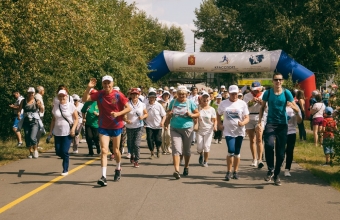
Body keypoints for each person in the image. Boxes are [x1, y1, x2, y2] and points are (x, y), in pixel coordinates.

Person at [82, 76, 131, 186]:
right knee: (104, 151)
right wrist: (88, 88)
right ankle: (103, 177)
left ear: (112, 83)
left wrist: (118, 114)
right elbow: (84, 99)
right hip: (103, 126)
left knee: (116, 150)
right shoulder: (99, 94)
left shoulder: (118, 95)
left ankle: (118, 168)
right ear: (102, 84)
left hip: (116, 125)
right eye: (104, 83)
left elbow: (128, 108)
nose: (107, 85)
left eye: (109, 83)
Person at [258, 72, 295, 186]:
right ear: (272, 81)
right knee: (268, 145)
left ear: (282, 81)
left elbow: (294, 105)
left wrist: (293, 106)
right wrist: (260, 122)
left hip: (282, 125)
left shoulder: (287, 92)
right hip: (270, 123)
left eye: (280, 79)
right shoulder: (268, 93)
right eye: (276, 80)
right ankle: (270, 170)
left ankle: (277, 174)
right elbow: (262, 107)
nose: (278, 81)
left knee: (280, 153)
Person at [165, 85, 199, 179]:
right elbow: (168, 111)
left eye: (183, 94)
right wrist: (169, 114)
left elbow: (197, 113)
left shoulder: (190, 103)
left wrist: (191, 114)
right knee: (176, 149)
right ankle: (176, 170)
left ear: (187, 94)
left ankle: (186, 166)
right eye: (179, 94)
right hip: (175, 128)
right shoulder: (173, 102)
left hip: (187, 128)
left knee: (186, 150)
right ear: (177, 94)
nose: (181, 96)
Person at [217, 85, 249, 181]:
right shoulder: (223, 103)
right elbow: (218, 114)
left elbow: (247, 117)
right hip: (228, 131)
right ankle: (228, 171)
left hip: (239, 131)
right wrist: (219, 124)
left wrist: (243, 123)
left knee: (237, 152)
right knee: (231, 150)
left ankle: (235, 171)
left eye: (236, 93)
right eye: (232, 94)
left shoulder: (242, 104)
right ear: (229, 94)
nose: (234, 95)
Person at [49, 89, 78, 175]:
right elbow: (53, 120)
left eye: (63, 96)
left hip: (68, 132)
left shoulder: (71, 106)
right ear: (58, 97)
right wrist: (51, 131)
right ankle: (66, 158)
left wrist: (73, 129)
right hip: (57, 132)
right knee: (58, 152)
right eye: (60, 96)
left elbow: (76, 119)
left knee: (65, 151)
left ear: (66, 96)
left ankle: (65, 169)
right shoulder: (56, 106)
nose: (62, 97)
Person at [243, 81, 265, 168]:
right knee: (252, 139)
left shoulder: (263, 94)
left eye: (257, 90)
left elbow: (267, 107)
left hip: (260, 117)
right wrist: (251, 101)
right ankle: (254, 159)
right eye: (254, 90)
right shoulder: (247, 96)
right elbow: (244, 107)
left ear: (260, 88)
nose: (256, 91)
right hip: (249, 117)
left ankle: (260, 159)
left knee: (259, 139)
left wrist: (262, 103)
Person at [18, 87, 44, 158]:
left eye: (32, 93)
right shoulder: (23, 101)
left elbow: (42, 110)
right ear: (27, 93)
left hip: (34, 121)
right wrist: (19, 115)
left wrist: (40, 106)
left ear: (34, 93)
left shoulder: (37, 100)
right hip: (26, 121)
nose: (31, 94)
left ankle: (35, 150)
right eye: (29, 93)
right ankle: (30, 152)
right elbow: (19, 110)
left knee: (32, 137)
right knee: (27, 137)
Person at [125, 88, 148, 168]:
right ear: (130, 95)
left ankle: (136, 160)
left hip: (139, 126)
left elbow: (146, 114)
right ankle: (132, 154)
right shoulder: (127, 104)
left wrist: (143, 117)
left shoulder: (142, 104)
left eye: (136, 94)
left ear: (138, 95)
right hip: (129, 126)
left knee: (136, 144)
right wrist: (126, 120)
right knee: (130, 144)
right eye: (133, 94)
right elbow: (124, 114)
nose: (135, 96)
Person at [197, 92, 217, 167]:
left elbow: (214, 119)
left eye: (207, 98)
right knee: (199, 147)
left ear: (209, 99)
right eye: (204, 98)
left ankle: (205, 161)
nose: (205, 100)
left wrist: (215, 126)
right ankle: (201, 154)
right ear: (201, 99)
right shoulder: (198, 107)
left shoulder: (212, 109)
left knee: (206, 146)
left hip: (208, 130)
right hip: (199, 130)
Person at [284, 95, 302, 177]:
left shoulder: (296, 107)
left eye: (289, 99)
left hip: (292, 132)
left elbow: (299, 121)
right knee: (280, 151)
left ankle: (287, 169)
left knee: (290, 151)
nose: (287, 101)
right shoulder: (280, 106)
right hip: (281, 132)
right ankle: (279, 163)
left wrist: (296, 111)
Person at [145, 91, 166, 159]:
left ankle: (158, 149)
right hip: (149, 125)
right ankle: (152, 152)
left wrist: (162, 122)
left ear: (155, 98)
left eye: (153, 97)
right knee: (149, 139)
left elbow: (164, 115)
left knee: (158, 139)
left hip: (158, 125)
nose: (151, 99)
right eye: (150, 97)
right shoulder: (145, 105)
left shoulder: (158, 105)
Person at [81, 92, 100, 156]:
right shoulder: (87, 103)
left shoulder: (99, 103)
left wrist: (97, 114)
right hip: (88, 123)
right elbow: (83, 111)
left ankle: (98, 147)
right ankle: (90, 151)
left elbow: (103, 113)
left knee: (96, 137)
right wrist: (84, 118)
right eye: (91, 95)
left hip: (96, 124)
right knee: (89, 137)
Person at [159, 90, 172, 155]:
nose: (166, 96)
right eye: (165, 95)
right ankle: (163, 149)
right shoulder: (159, 102)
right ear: (162, 96)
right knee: (161, 135)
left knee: (168, 135)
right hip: (161, 121)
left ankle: (168, 147)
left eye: (167, 95)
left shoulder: (171, 103)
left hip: (168, 120)